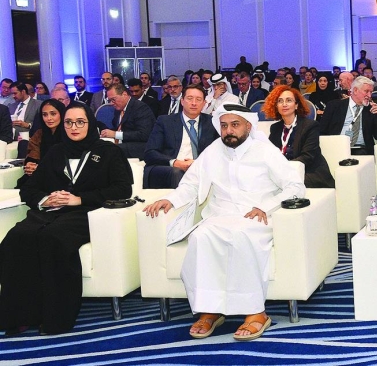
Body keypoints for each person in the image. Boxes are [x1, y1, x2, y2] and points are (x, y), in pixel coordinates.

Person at [142, 104, 305, 341]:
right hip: (220, 215)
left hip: (256, 217)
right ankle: (210, 310)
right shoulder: (213, 150)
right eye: (224, 125)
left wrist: (266, 207)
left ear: (248, 126)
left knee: (240, 237)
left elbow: (295, 186)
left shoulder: (264, 150)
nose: (228, 131)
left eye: (235, 125)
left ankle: (256, 313)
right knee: (200, 237)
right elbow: (191, 183)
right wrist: (169, 200)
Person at [0, 103, 132, 336]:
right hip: (49, 212)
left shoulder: (109, 152)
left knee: (53, 238)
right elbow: (29, 189)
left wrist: (79, 199)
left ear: (90, 123)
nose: (74, 127)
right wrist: (45, 200)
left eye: (80, 122)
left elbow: (122, 190)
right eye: (69, 122)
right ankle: (19, 315)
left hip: (86, 212)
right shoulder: (56, 152)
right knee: (16, 238)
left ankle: (55, 317)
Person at [143, 85, 219, 189]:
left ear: (204, 103)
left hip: (201, 166)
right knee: (177, 173)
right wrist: (175, 162)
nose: (194, 103)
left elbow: (219, 151)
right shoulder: (165, 121)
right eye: (189, 98)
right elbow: (150, 153)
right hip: (171, 167)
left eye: (198, 99)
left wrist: (200, 163)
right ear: (182, 101)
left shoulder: (212, 122)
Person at [263, 86, 335, 188]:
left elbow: (307, 156)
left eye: (289, 100)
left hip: (309, 173)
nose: (284, 104)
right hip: (283, 174)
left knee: (281, 184)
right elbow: (271, 155)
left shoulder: (310, 126)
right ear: (276, 106)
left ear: (296, 105)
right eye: (280, 101)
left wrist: (284, 168)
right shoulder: (275, 128)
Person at [319, 76, 377, 155]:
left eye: (371, 92)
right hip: (337, 148)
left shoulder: (372, 109)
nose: (369, 95)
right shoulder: (334, 106)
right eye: (366, 91)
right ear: (355, 90)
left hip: (362, 149)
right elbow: (322, 131)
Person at [100, 83, 156, 158]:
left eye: (113, 99)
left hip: (138, 147)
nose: (111, 103)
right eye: (110, 100)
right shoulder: (118, 109)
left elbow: (144, 134)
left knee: (110, 151)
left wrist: (115, 134)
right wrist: (106, 133)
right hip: (123, 144)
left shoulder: (140, 108)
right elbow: (119, 128)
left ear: (124, 94)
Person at [20, 99, 66, 184]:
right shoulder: (39, 133)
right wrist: (31, 164)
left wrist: (43, 168)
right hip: (40, 174)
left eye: (53, 114)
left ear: (62, 114)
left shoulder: (69, 133)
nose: (49, 118)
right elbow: (33, 152)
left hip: (62, 176)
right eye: (45, 115)